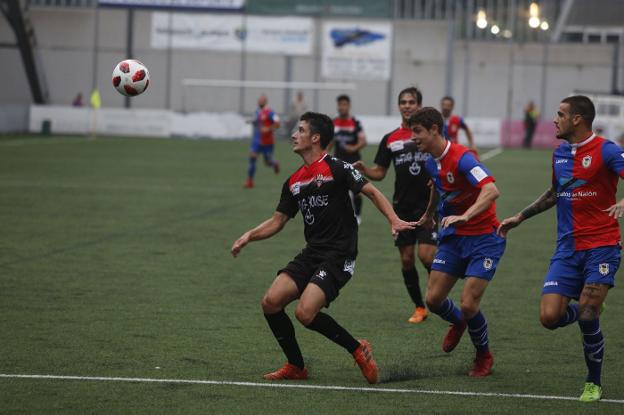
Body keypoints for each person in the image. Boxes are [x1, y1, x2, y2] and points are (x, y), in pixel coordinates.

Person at [231, 112, 416, 383]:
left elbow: (372, 191)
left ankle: (358, 349)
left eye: (301, 130)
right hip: (313, 252)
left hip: (339, 254)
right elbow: (277, 221)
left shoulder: (338, 167)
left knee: (305, 313)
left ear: (315, 138)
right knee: (270, 303)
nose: (294, 135)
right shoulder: (294, 181)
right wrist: (249, 235)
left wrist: (394, 219)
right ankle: (296, 366)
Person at [498, 95, 624, 402]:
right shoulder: (559, 154)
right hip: (567, 248)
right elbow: (557, 193)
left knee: (588, 312)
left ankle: (593, 382)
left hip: (602, 245)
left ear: (577, 119)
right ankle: (584, 310)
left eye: (560, 114)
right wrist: (521, 216)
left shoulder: (607, 150)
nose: (554, 119)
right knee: (549, 318)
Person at [410, 107, 505, 377]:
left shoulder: (463, 158)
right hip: (454, 238)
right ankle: (459, 323)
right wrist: (429, 214)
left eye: (417, 131)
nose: (413, 137)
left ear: (434, 130)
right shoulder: (430, 161)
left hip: (485, 238)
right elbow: (439, 189)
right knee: (434, 299)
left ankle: (483, 355)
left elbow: (491, 190)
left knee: (468, 303)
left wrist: (465, 215)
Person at [353, 87, 435, 324]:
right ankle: (420, 307)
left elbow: (443, 160)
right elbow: (380, 172)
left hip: (429, 205)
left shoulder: (430, 134)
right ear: (399, 106)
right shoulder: (390, 139)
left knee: (427, 256)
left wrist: (439, 176)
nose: (407, 106)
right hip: (402, 207)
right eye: (403, 102)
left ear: (419, 105)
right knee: (407, 259)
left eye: (411, 102)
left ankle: (438, 298)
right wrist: (365, 170)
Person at [329, 94, 367, 224]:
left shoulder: (355, 123)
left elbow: (363, 141)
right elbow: (331, 142)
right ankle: (340, 216)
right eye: (340, 104)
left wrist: (354, 148)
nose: (342, 107)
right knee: (338, 191)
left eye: (344, 104)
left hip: (354, 162)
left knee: (357, 190)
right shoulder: (334, 123)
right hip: (338, 163)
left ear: (349, 106)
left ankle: (358, 215)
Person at [244, 94, 280, 189]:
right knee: (252, 159)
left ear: (265, 101)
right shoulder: (257, 111)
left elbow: (277, 123)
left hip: (267, 142)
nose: (259, 101)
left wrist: (268, 128)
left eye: (261, 100)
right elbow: (256, 121)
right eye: (259, 100)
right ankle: (250, 181)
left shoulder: (270, 112)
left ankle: (274, 163)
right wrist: (250, 121)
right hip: (256, 141)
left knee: (267, 162)